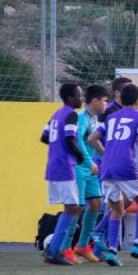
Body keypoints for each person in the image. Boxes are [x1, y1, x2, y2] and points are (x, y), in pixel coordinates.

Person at [87, 84, 138, 266]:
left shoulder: (110, 117)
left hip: (106, 167)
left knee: (116, 208)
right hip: (126, 166)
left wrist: (106, 153)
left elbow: (92, 139)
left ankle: (111, 251)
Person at [40, 83, 85, 265]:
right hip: (64, 166)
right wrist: (79, 155)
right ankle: (54, 251)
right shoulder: (71, 114)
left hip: (53, 165)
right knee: (72, 207)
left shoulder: (56, 114)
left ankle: (54, 250)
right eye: (78, 95)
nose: (81, 98)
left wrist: (56, 148)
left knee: (71, 207)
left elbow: (44, 137)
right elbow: (69, 139)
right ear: (70, 98)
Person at [71, 84, 109, 263]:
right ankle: (65, 247)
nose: (106, 105)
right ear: (94, 101)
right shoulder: (81, 118)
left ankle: (83, 245)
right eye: (104, 101)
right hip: (79, 167)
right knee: (77, 207)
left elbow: (92, 142)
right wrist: (89, 162)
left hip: (90, 168)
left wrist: (106, 157)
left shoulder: (94, 119)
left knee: (96, 203)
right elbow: (77, 142)